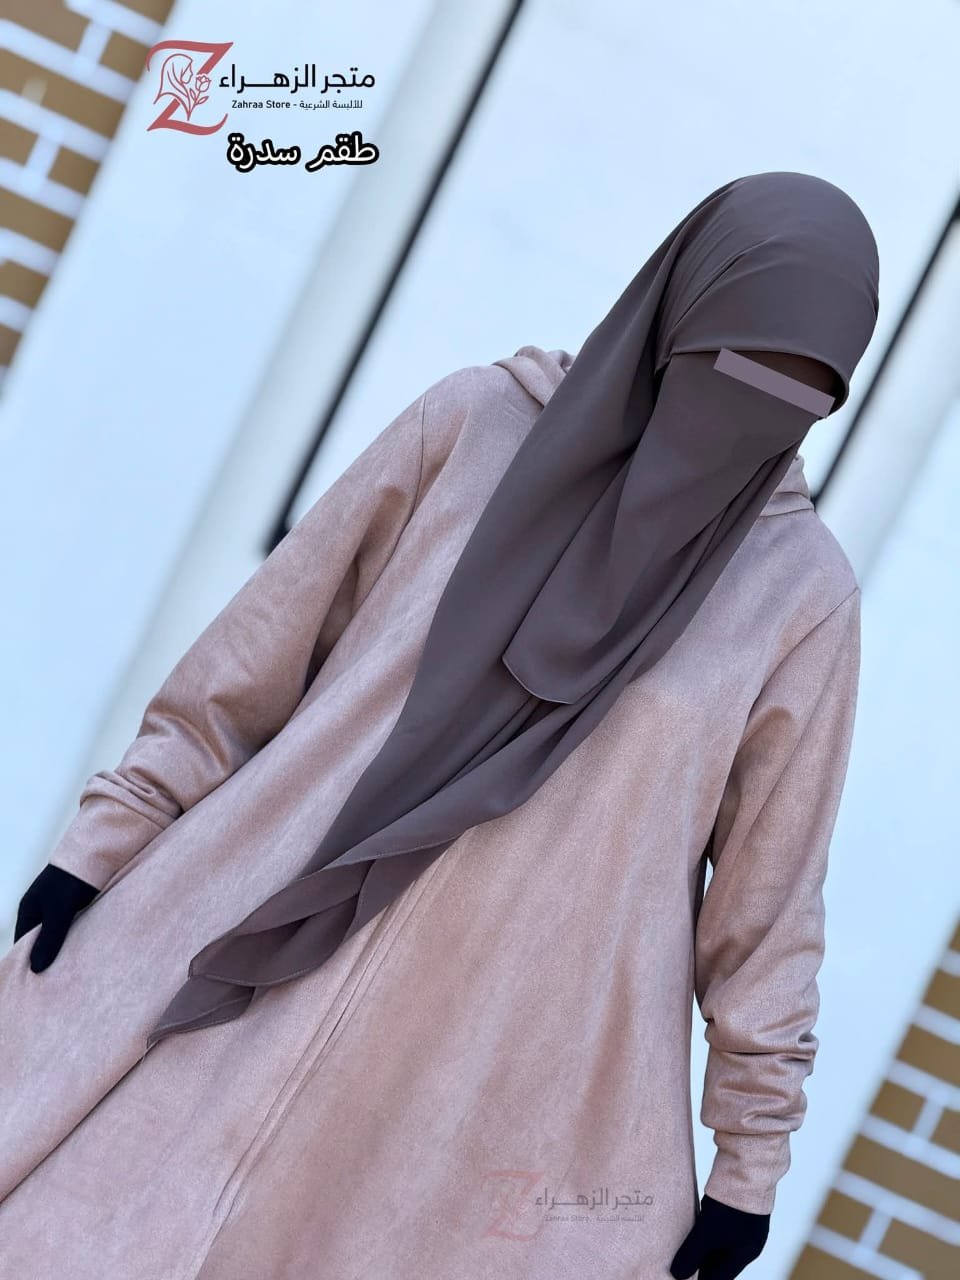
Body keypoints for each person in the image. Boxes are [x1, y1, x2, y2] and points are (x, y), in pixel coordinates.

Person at [3, 171, 878, 1279]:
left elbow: (770, 903)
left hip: (475, 1078)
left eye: (804, 394)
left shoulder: (797, 596)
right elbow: (247, 667)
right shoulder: (472, 427)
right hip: (247, 939)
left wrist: (750, 1163)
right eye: (737, 366)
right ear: (680, 313)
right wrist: (105, 839)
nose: (757, 411)